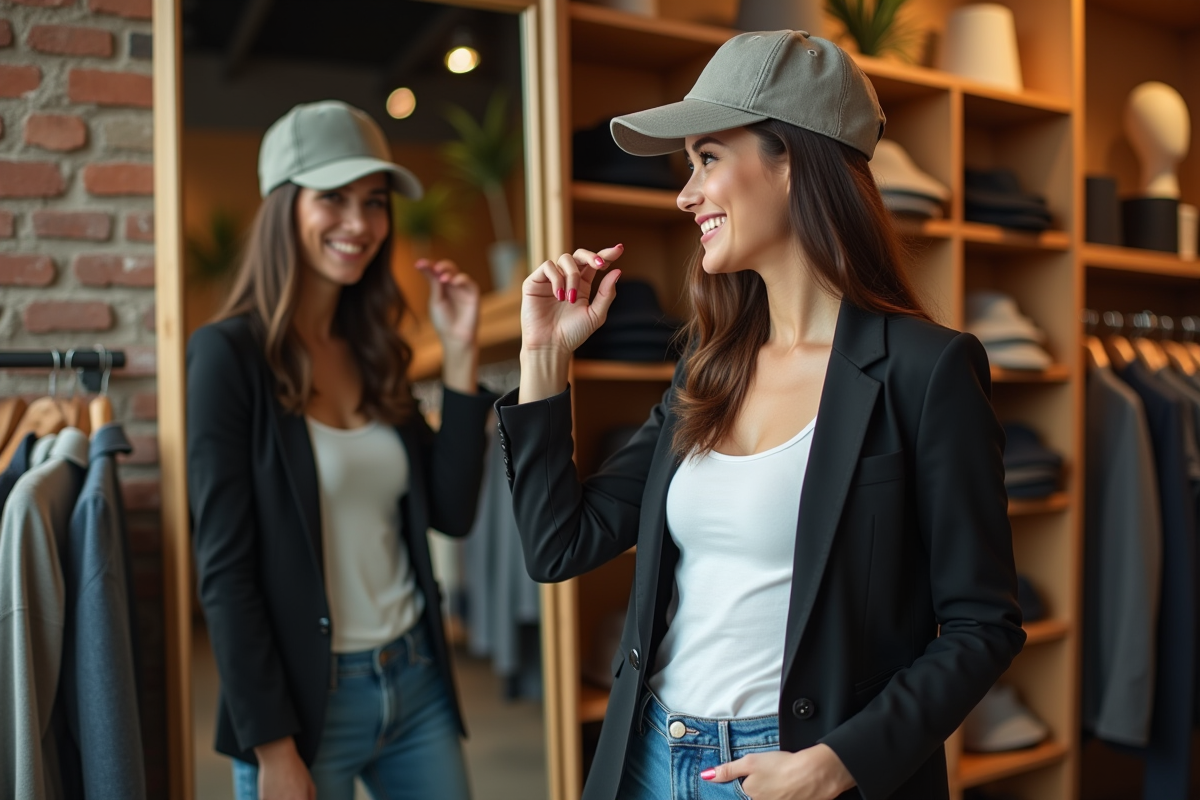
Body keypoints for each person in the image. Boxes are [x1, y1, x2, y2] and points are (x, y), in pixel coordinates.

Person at [496, 31, 1024, 800]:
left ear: (791, 161)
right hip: (651, 757)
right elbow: (557, 546)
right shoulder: (707, 368)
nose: (686, 194)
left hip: (797, 774)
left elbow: (984, 625)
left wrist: (840, 761)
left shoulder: (924, 369)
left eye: (708, 157)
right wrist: (544, 361)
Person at [187, 100, 495, 800]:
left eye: (374, 202)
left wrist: (460, 354)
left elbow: (451, 511)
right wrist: (272, 749)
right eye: (333, 198)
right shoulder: (227, 356)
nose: (359, 224)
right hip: (301, 705)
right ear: (284, 208)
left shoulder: (373, 347)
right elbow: (224, 571)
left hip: (415, 681)